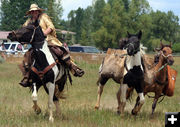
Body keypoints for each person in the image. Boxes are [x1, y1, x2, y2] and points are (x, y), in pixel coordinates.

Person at [19, 3, 84, 87]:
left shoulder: (44, 17)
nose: (34, 12)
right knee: (27, 55)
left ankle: (73, 67)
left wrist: (43, 34)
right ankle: (27, 77)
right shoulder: (29, 22)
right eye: (32, 11)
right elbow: (24, 30)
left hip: (49, 40)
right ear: (30, 13)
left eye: (35, 11)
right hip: (36, 44)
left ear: (38, 11)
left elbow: (51, 27)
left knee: (60, 51)